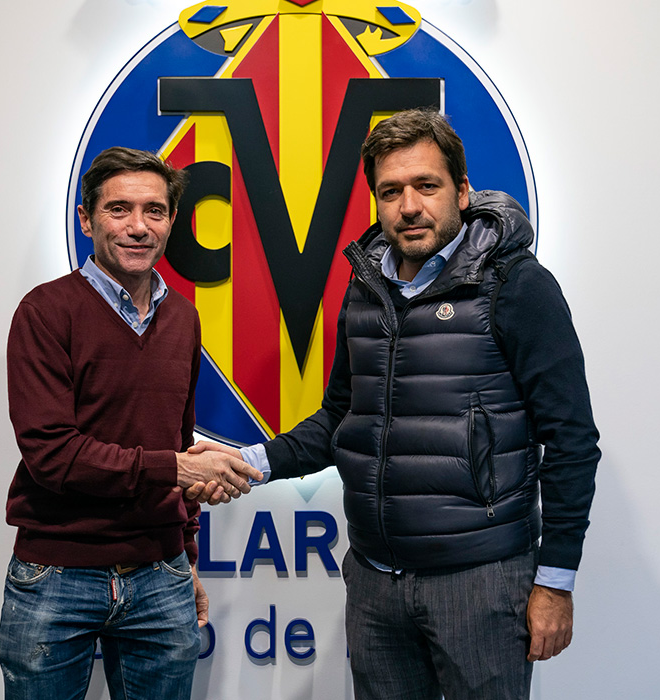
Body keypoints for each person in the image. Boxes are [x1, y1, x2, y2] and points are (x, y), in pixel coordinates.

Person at [192, 109, 600, 699]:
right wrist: (245, 462)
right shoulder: (366, 288)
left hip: (481, 580)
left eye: (426, 185)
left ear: (462, 191)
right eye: (391, 191)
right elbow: (341, 417)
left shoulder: (516, 284)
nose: (409, 206)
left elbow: (571, 440)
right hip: (375, 582)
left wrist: (556, 581)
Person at [0, 146, 262, 700]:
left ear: (171, 221)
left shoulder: (182, 316)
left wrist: (186, 556)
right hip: (57, 575)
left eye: (154, 211)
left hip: (161, 574)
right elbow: (53, 455)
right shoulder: (45, 313)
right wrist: (175, 470)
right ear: (86, 219)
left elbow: (177, 443)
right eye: (119, 209)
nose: (138, 227)